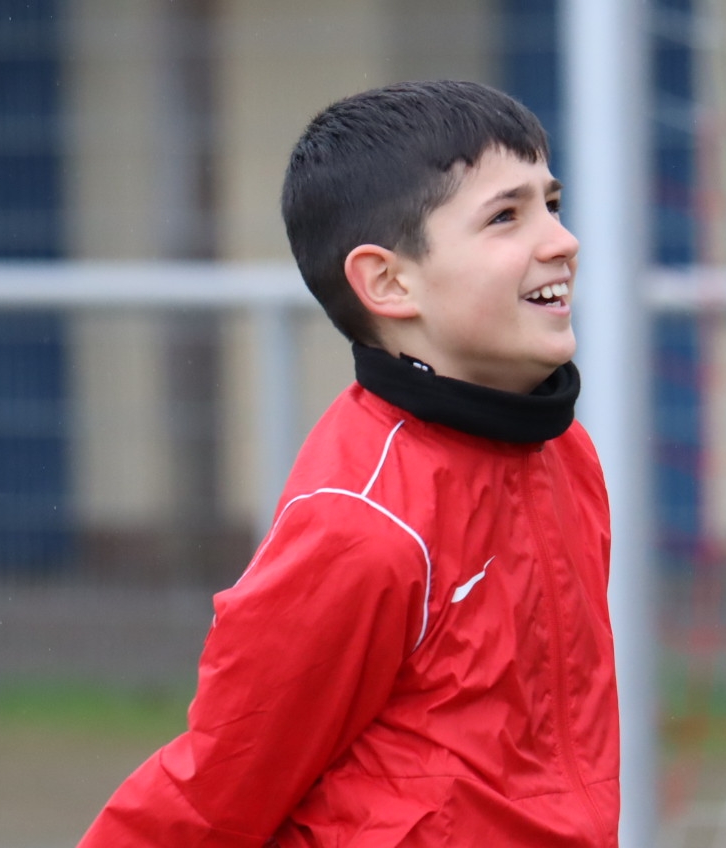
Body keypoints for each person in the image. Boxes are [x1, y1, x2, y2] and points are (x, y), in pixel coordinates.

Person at [77, 80, 619, 847]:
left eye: (551, 204)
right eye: (506, 217)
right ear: (389, 283)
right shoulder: (362, 523)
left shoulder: (564, 454)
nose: (562, 241)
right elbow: (215, 793)